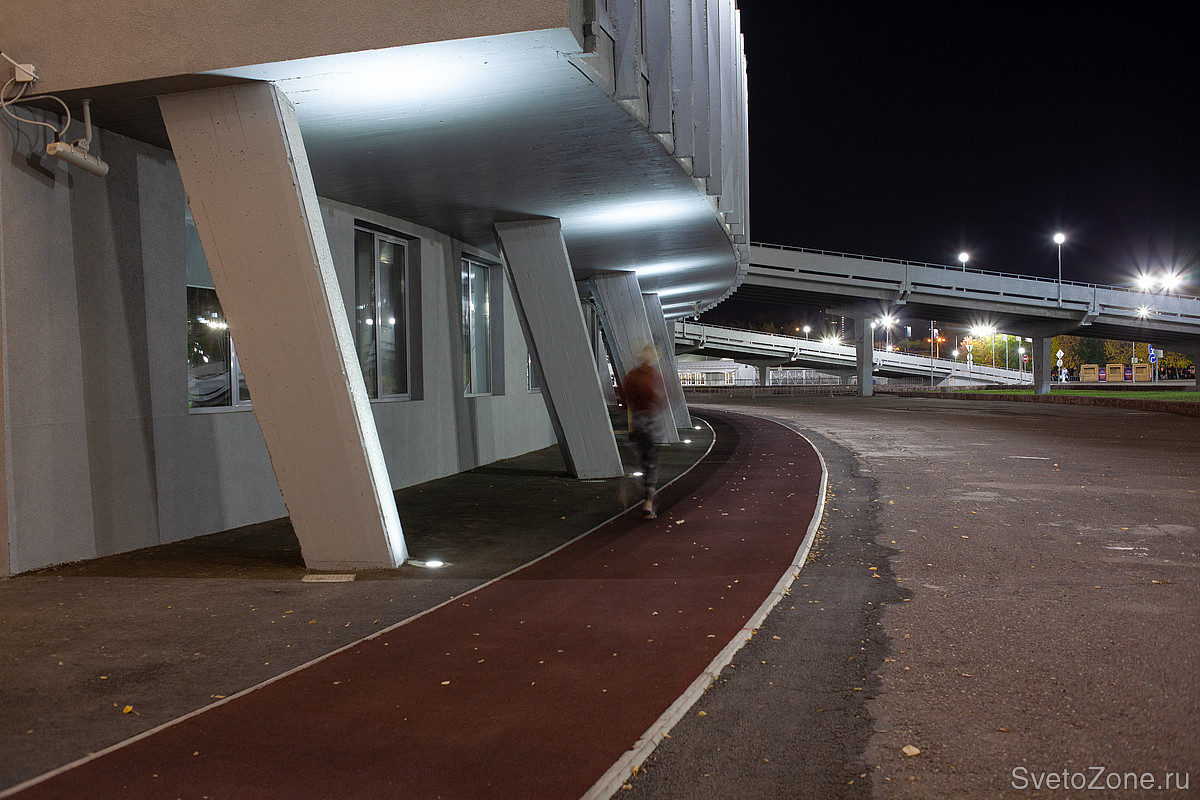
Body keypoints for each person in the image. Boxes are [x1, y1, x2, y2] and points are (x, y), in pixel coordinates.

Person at [622, 344, 667, 519]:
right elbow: (658, 399)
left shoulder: (632, 375)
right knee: (652, 464)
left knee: (642, 461)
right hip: (651, 424)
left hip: (637, 423)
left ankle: (634, 485)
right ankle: (648, 503)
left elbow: (625, 395)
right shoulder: (653, 375)